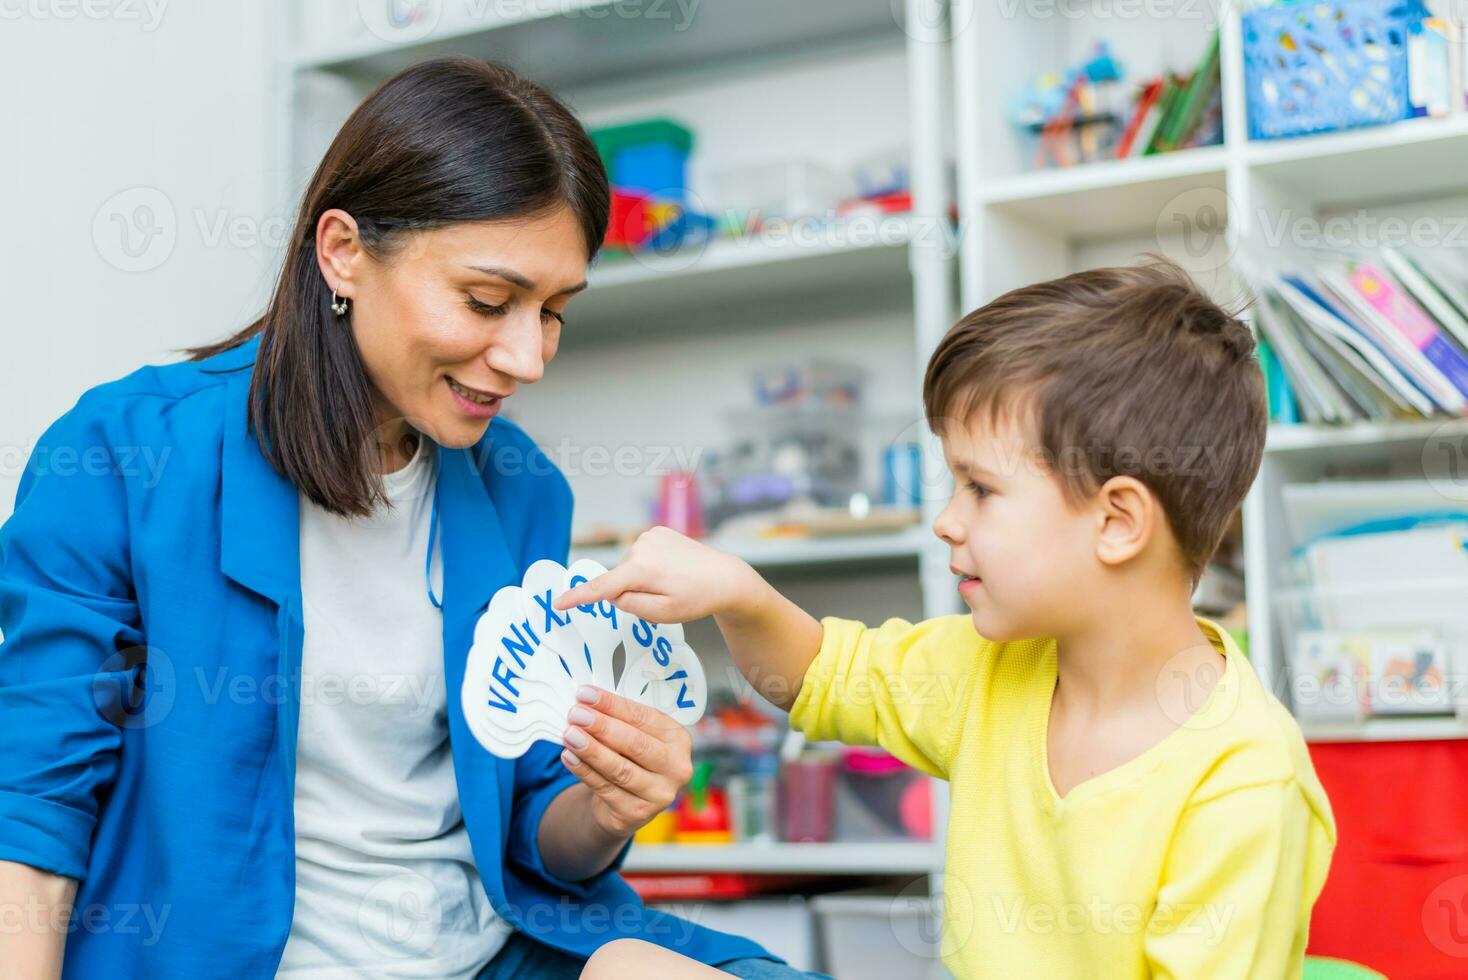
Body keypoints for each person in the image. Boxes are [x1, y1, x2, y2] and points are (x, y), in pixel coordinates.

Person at [0, 57, 817, 979]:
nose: (527, 357)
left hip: (497, 953)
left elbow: (537, 837)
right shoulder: (130, 452)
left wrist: (609, 804)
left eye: (553, 313)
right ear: (342, 251)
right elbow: (31, 809)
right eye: (487, 300)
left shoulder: (521, 488)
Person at [565, 259, 1338, 979]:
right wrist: (739, 592)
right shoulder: (990, 665)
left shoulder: (1245, 782)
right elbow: (817, 679)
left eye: (980, 489)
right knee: (625, 967)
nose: (945, 520)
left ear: (1117, 522)